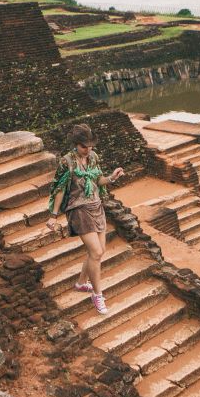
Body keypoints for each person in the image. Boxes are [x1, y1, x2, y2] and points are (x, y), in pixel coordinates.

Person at [46, 124, 125, 315]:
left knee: (98, 252)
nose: (88, 149)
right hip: (78, 209)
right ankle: (97, 294)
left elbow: (98, 181)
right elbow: (60, 189)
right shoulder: (66, 162)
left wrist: (112, 178)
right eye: (84, 146)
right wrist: (54, 216)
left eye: (90, 146)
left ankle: (81, 283)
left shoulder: (93, 157)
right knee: (96, 252)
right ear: (75, 145)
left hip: (96, 206)